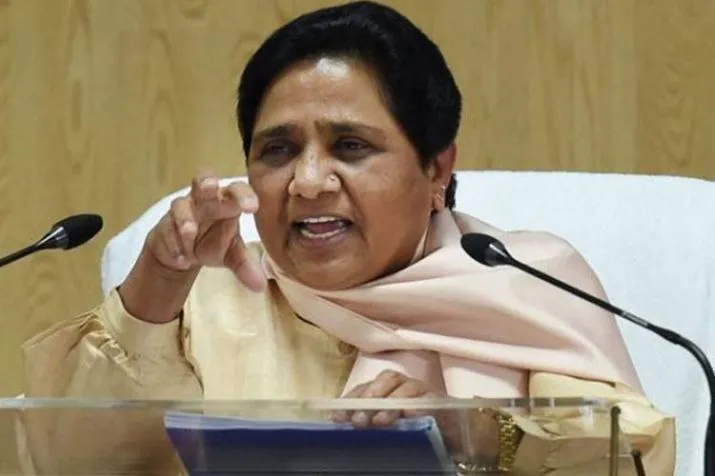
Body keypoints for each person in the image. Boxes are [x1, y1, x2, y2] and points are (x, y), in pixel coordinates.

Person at [18, 1, 674, 475]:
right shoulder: (207, 300)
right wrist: (156, 285)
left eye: (350, 146)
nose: (306, 181)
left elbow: (628, 457)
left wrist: (472, 431)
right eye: (277, 150)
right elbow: (72, 463)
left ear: (436, 168)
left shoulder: (522, 284)